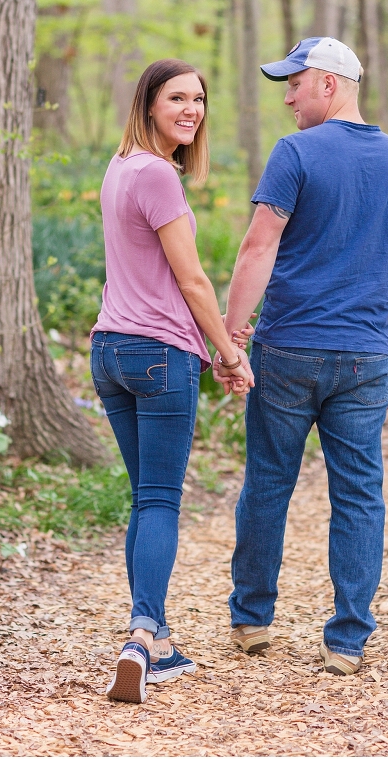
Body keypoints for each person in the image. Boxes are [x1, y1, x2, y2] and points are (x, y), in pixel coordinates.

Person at [215, 36, 388, 674]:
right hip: (364, 358)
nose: (288, 98)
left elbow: (258, 248)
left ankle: (252, 620)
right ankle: (348, 639)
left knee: (269, 482)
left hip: (287, 349)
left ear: (329, 85)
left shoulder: (296, 153)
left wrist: (230, 335)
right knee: (360, 494)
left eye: (295, 84)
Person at [90, 58, 253, 704]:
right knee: (159, 500)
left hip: (109, 350)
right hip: (158, 355)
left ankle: (155, 639)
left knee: (144, 498)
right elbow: (192, 280)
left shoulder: (121, 166)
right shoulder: (158, 174)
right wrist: (229, 353)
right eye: (177, 98)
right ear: (149, 104)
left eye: (199, 99)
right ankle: (139, 637)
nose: (192, 110)